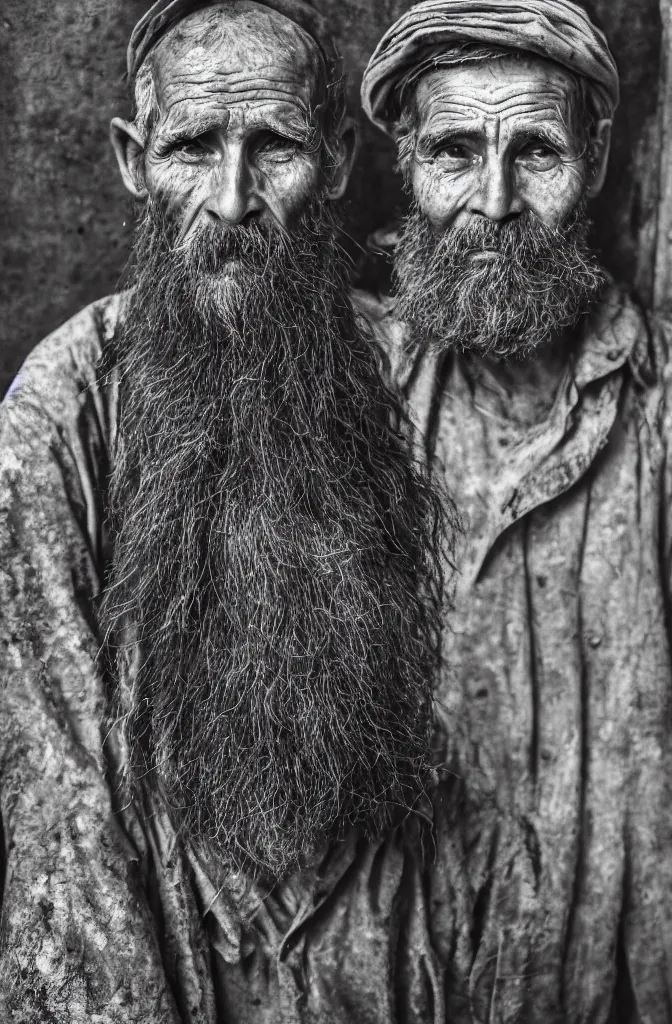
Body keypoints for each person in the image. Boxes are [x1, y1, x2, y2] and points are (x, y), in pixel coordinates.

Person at [0, 2, 451, 1021]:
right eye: (194, 146)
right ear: (132, 159)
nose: (234, 197)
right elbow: (56, 785)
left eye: (274, 147)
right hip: (167, 956)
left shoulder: (421, 377)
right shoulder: (65, 401)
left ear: (336, 163)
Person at [356, 1, 672, 1020]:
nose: (493, 200)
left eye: (535, 151)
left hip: (623, 982)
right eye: (455, 150)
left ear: (594, 157)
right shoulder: (352, 387)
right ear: (406, 162)